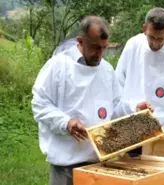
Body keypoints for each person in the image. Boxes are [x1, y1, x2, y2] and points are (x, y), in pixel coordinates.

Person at [31, 15, 151, 185]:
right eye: (95, 47)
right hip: (66, 163)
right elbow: (40, 104)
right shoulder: (58, 66)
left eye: (104, 48)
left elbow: (115, 107)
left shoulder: (107, 70)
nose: (99, 54)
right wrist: (66, 122)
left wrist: (134, 107)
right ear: (80, 41)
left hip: (98, 161)